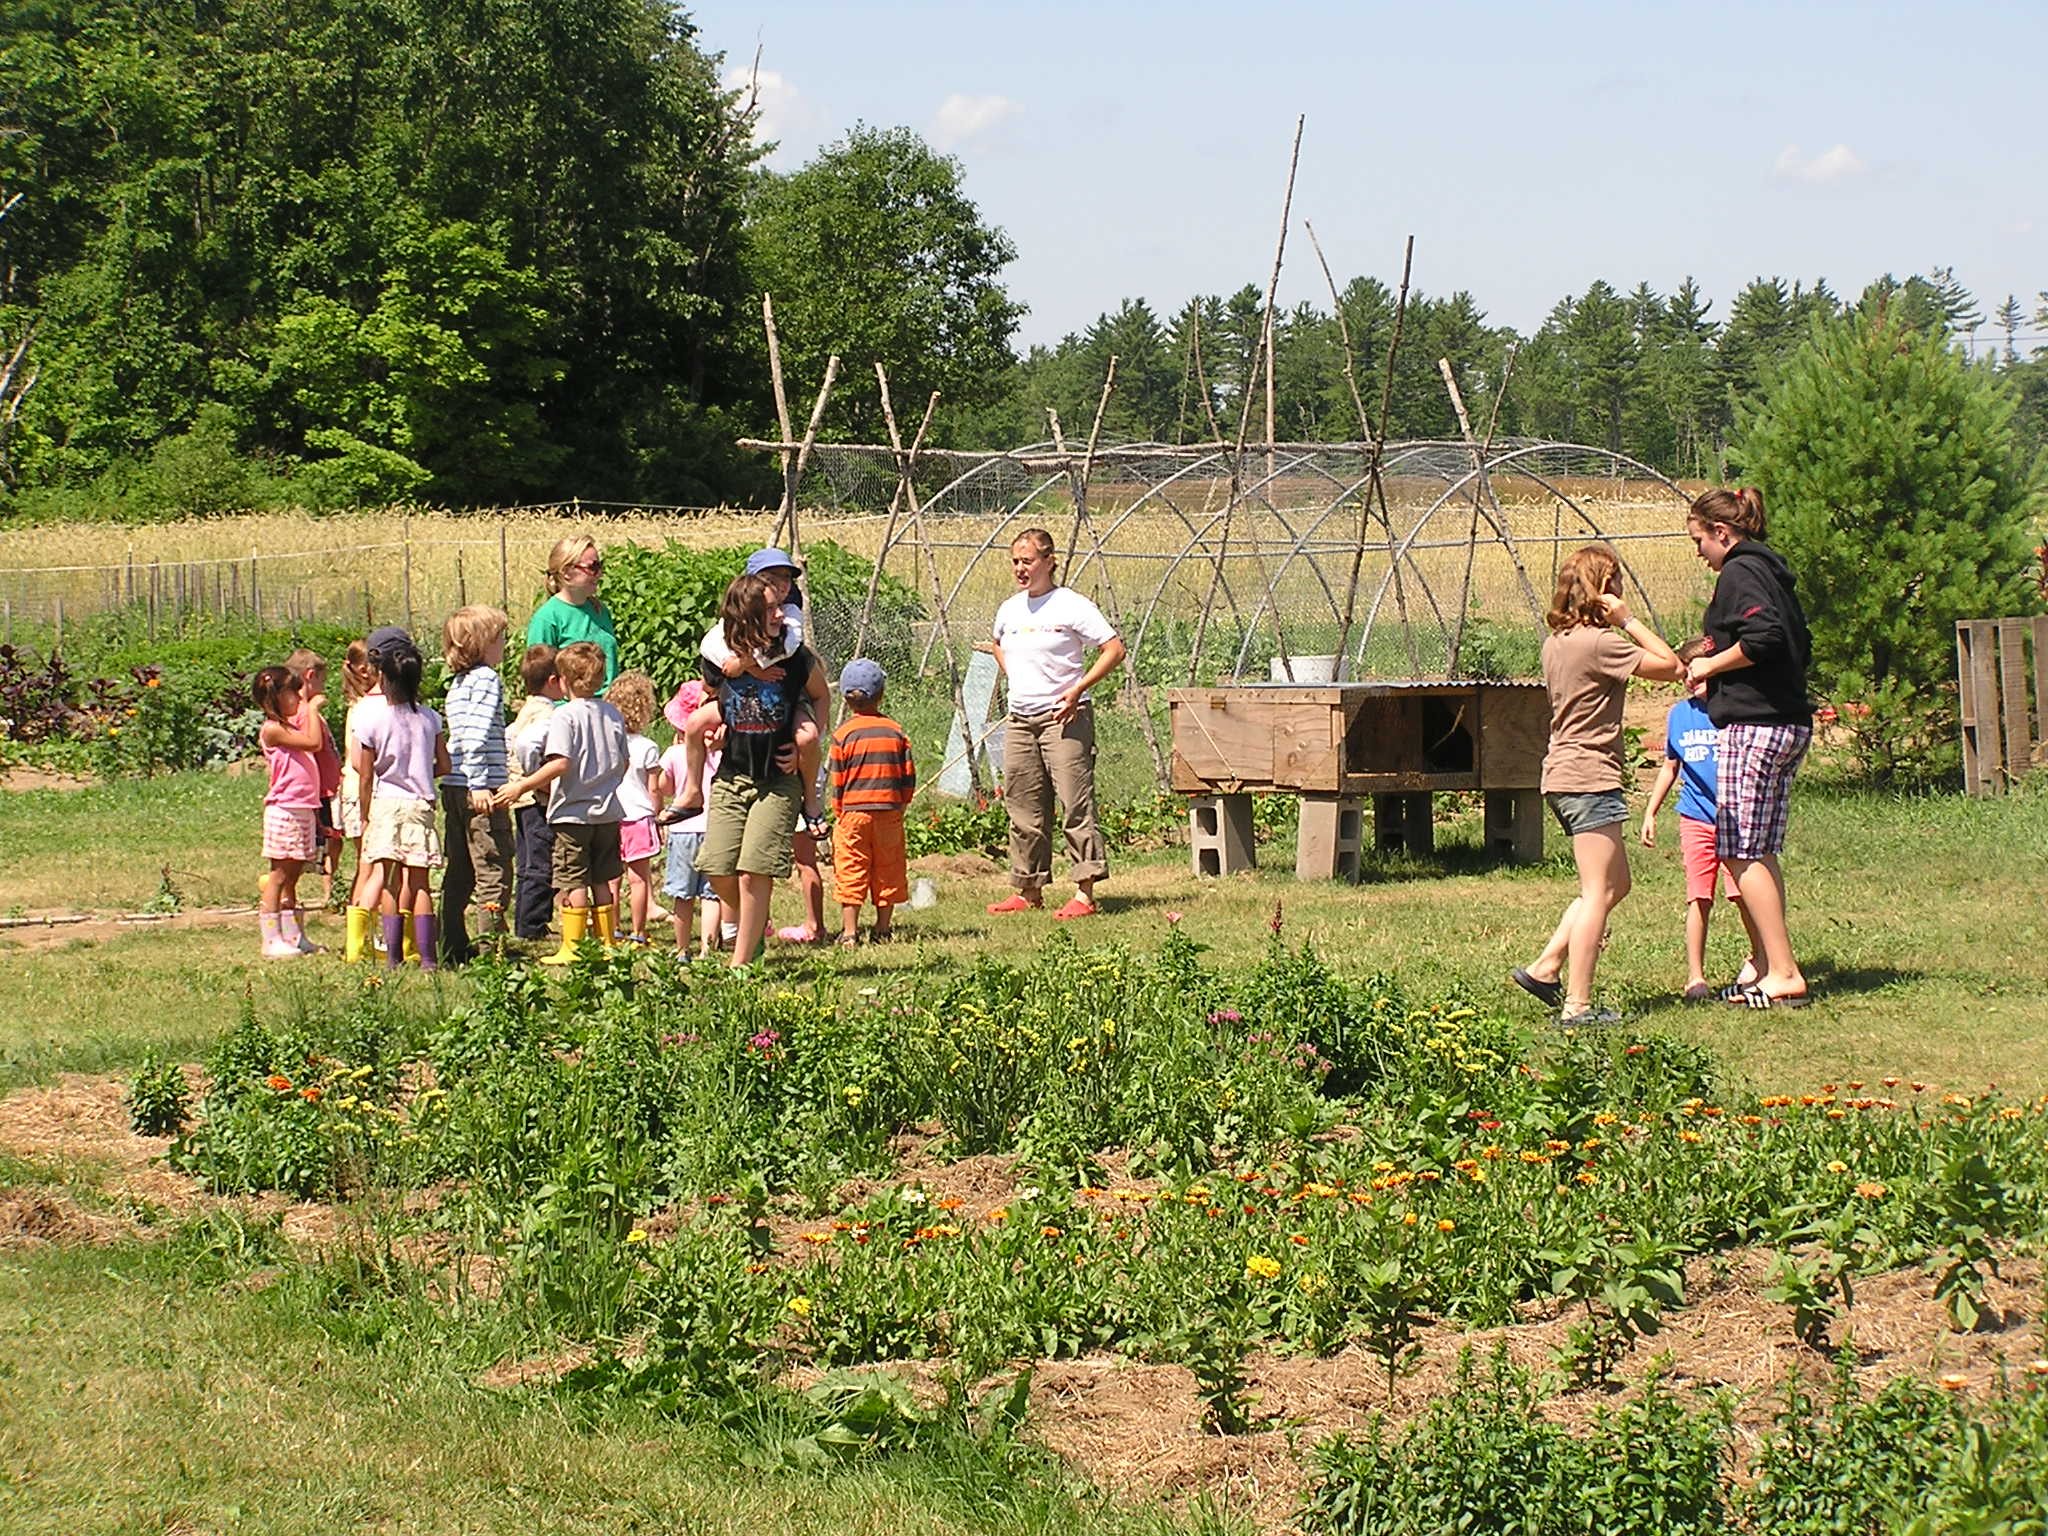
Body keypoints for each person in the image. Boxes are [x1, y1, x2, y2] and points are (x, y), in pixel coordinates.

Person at [1510, 544, 1683, 1025]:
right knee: (1596, 892)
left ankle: (1546, 967)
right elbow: (1672, 666)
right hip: (1588, 777)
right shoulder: (1601, 643)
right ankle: (1577, 1006)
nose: (1623, 590)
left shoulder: (1556, 642)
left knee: (1613, 886)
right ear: (1603, 590)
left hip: (1564, 774)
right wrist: (1627, 619)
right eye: (1618, 583)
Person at [1684, 486, 1815, 1009]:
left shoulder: (1740, 571)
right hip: (1786, 721)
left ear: (1723, 533)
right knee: (1758, 848)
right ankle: (1765, 962)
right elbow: (1795, 641)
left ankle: (1783, 972)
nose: (1698, 552)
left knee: (1739, 848)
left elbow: (1762, 637)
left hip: (1756, 726)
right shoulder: (1770, 571)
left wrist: (1709, 667)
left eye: (1699, 540)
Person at [987, 527, 1126, 920]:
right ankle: (1028, 889)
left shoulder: (1071, 605)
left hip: (1064, 719)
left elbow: (1113, 649)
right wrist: (1015, 675)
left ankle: (1084, 892)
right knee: (1023, 805)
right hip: (1020, 719)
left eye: (1027, 561)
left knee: (1073, 803)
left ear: (1049, 562)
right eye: (1015, 561)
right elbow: (997, 641)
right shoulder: (1010, 609)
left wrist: (1077, 689)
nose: (1020, 569)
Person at [693, 573, 813, 968]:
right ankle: (754, 921)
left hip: (778, 779)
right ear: (746, 617)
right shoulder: (718, 660)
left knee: (752, 871)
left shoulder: (794, 655)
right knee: (715, 867)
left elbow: (820, 696)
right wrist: (717, 730)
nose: (782, 613)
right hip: (731, 774)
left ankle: (741, 964)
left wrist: (805, 743)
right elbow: (713, 696)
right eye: (770, 609)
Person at [1640, 639, 1767, 1002]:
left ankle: (1762, 959)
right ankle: (1695, 976)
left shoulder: (1733, 711)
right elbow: (1670, 767)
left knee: (1743, 895)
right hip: (1695, 818)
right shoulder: (1679, 715)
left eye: (1698, 670)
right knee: (1699, 897)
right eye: (1686, 672)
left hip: (1733, 816)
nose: (1691, 678)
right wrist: (1650, 811)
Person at [672, 547, 823, 836]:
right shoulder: (734, 623)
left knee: (808, 736)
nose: (782, 584)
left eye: (787, 577)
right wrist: (730, 677)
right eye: (773, 577)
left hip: (786, 706)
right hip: (740, 722)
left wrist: (749, 664)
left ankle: (812, 800)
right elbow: (711, 654)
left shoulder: (789, 611)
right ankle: (692, 791)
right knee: (694, 724)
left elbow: (790, 644)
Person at [493, 640, 627, 965]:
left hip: (573, 814)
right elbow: (623, 761)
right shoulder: (612, 713)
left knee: (573, 878)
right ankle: (607, 942)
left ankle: (574, 946)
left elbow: (560, 763)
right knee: (602, 878)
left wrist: (523, 784)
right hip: (608, 812)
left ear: (563, 680)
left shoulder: (565, 716)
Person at [352, 626, 450, 971]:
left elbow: (364, 774)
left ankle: (392, 957)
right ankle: (428, 958)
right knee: (421, 883)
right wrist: (422, 771)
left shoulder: (371, 717)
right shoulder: (430, 718)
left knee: (390, 883)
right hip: (421, 803)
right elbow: (445, 763)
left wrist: (364, 816)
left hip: (385, 802)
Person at [437, 605, 514, 965]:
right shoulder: (486, 679)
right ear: (484, 644)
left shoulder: (459, 682)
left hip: (455, 784)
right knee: (493, 867)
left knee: (460, 868)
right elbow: (477, 734)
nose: (504, 645)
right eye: (500, 638)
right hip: (479, 787)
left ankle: (450, 943)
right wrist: (481, 783)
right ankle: (491, 951)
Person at [828, 658, 916, 945]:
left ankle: (850, 932)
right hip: (889, 812)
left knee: (851, 866)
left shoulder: (842, 735)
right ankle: (882, 928)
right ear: (881, 695)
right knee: (888, 866)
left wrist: (838, 810)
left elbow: (838, 780)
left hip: (853, 814)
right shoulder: (896, 731)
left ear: (845, 697)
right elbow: (907, 775)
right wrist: (902, 803)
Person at [252, 663, 326, 959]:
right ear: (276, 695)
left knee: (293, 875)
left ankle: (294, 935)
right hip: (285, 809)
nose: (297, 696)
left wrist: (305, 704)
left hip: (303, 807)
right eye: (292, 691)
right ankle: (271, 939)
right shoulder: (272, 730)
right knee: (279, 875)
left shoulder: (288, 725)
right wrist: (312, 709)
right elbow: (313, 743)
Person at [655, 679, 723, 957]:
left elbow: (664, 787)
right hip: (715, 828)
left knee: (682, 895)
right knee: (711, 894)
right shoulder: (720, 753)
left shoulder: (673, 754)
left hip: (683, 830)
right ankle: (708, 950)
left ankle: (682, 949)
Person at [505, 644, 563, 942]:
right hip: (537, 798)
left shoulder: (527, 708)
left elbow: (510, 736)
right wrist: (537, 778)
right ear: (553, 681)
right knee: (541, 862)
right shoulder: (547, 714)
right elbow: (527, 745)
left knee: (528, 861)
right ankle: (533, 926)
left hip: (523, 799)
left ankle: (526, 922)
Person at [337, 640, 388, 963]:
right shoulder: (366, 708)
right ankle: (363, 939)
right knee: (370, 866)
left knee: (366, 866)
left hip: (355, 791)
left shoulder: (358, 706)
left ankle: (360, 938)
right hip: (365, 792)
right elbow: (360, 760)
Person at [607, 670, 663, 944]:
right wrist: (658, 814)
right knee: (639, 879)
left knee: (611, 878)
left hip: (610, 815)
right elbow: (654, 788)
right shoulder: (648, 747)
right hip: (639, 817)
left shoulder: (607, 743)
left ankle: (613, 928)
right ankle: (638, 932)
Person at [285, 647, 342, 913]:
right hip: (318, 790)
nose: (323, 686)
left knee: (333, 840)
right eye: (321, 680)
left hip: (328, 786)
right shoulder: (302, 711)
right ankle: (322, 892)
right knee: (322, 843)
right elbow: (313, 745)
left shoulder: (304, 710)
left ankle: (332, 891)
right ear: (310, 676)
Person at [526, 535, 619, 688]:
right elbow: (538, 681)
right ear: (566, 572)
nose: (600, 574)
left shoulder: (600, 610)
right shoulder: (547, 619)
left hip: (607, 707)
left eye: (600, 566)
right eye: (592, 567)